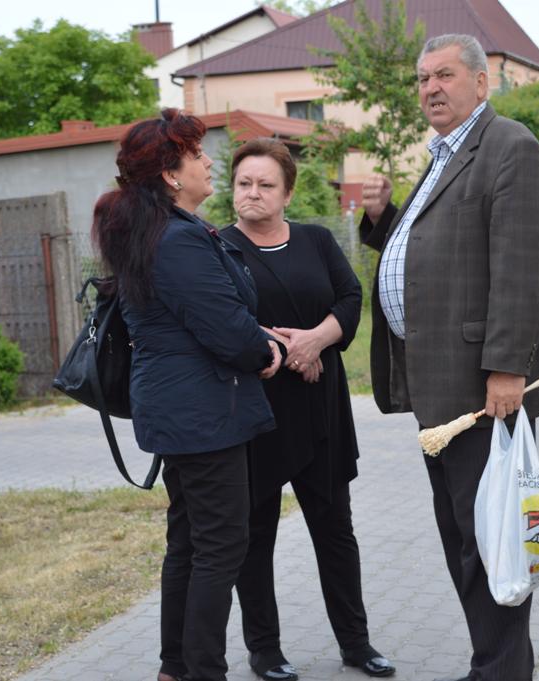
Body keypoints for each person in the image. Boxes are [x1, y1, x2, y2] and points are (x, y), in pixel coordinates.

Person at [359, 35, 539, 681]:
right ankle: (494, 666)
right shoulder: (444, 154)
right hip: (441, 389)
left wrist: (507, 368)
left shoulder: (509, 146)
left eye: (445, 75)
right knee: (465, 536)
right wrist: (383, 219)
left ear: (481, 83)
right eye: (423, 78)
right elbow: (436, 245)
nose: (430, 88)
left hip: (482, 390)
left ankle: (501, 671)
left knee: (492, 539)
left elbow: (524, 267)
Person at [92, 109, 284, 681]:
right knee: (220, 547)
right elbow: (225, 329)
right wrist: (266, 351)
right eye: (197, 154)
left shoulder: (164, 232)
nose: (208, 162)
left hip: (187, 411)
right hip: (202, 416)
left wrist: (255, 338)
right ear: (171, 174)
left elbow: (204, 318)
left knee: (191, 543)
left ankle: (175, 668)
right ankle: (202, 670)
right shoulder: (176, 240)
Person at [220, 138, 396, 680]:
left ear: (288, 193)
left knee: (335, 529)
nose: (252, 192)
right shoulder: (217, 248)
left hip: (321, 407)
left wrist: (318, 339)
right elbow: (221, 319)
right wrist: (292, 349)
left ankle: (356, 644)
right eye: (244, 183)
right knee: (255, 536)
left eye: (265, 184)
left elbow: (350, 298)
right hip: (256, 411)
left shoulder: (317, 240)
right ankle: (265, 650)